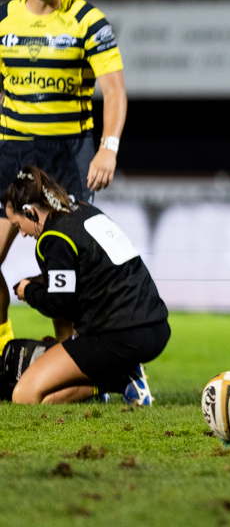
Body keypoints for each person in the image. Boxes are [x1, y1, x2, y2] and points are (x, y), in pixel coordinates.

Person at [0, 0, 127, 312]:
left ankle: (68, 348)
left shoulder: (88, 21)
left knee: (66, 264)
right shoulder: (3, 20)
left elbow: (115, 91)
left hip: (67, 154)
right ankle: (4, 341)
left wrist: (108, 148)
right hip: (14, 150)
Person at [5, 166, 167, 405]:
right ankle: (116, 372)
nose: (22, 234)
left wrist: (28, 291)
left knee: (24, 395)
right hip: (156, 326)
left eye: (18, 225)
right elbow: (89, 271)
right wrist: (39, 282)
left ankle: (118, 379)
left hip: (118, 336)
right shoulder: (83, 210)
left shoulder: (53, 237)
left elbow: (59, 303)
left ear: (30, 212)